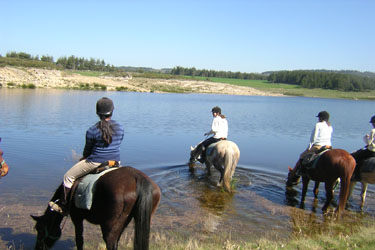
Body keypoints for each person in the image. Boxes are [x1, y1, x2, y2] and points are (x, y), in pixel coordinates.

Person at [49, 97, 124, 215]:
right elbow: (118, 143)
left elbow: (87, 152)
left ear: (97, 113)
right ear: (112, 111)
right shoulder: (120, 127)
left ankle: (63, 205)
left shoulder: (92, 130)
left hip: (96, 162)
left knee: (68, 177)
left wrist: (83, 158)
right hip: (116, 162)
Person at [351, 115, 375, 181]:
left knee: (355, 157)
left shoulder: (373, 131)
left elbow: (368, 143)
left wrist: (365, 137)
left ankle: (356, 175)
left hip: (371, 152)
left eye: (373, 123)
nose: (372, 124)